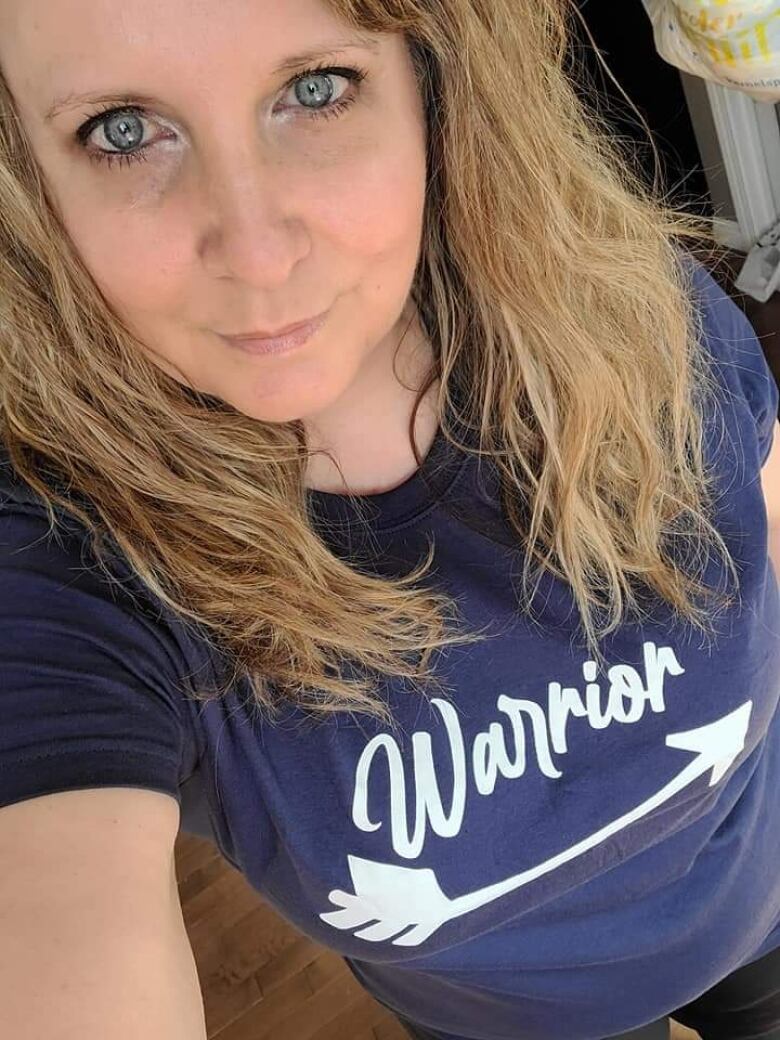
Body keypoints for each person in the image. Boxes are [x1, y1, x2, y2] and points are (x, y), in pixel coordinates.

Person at [0, 1, 778, 1039]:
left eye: (315, 89)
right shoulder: (70, 562)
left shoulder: (645, 317)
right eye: (123, 130)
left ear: (434, 87)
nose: (258, 251)